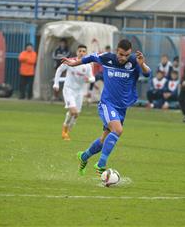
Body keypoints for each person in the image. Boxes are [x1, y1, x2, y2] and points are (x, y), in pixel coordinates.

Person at [62, 39, 151, 176]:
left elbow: (147, 73)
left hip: (122, 108)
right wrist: (74, 63)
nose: (124, 58)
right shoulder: (107, 58)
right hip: (107, 104)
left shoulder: (134, 61)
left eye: (127, 55)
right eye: (121, 54)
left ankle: (84, 157)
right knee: (118, 130)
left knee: (104, 140)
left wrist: (142, 64)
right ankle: (101, 164)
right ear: (117, 51)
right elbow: (91, 57)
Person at [53, 44, 95, 141]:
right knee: (73, 111)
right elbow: (59, 70)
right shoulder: (70, 61)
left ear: (86, 53)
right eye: (80, 51)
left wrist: (89, 79)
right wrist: (56, 84)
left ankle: (68, 129)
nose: (81, 53)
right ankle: (64, 130)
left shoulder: (88, 65)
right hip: (69, 90)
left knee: (76, 114)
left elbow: (93, 78)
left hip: (79, 92)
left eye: (84, 51)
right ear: (77, 52)